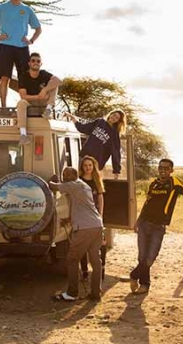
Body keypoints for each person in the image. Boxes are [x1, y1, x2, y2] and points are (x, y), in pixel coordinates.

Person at [129, 159, 183, 294]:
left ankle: (134, 275)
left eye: (166, 168)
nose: (162, 170)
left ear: (171, 170)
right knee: (142, 257)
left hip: (158, 227)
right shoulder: (153, 184)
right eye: (160, 168)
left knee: (150, 258)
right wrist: (138, 221)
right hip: (144, 224)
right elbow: (147, 203)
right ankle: (145, 285)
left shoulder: (174, 182)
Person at [48, 167, 104, 302]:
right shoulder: (83, 186)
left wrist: (51, 180)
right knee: (95, 260)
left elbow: (53, 186)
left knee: (72, 259)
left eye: (66, 175)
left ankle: (72, 293)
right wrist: (69, 219)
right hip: (97, 225)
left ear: (73, 175)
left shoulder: (73, 185)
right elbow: (81, 206)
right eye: (63, 175)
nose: (64, 177)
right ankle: (95, 293)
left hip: (85, 228)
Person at [64, 110, 126, 179]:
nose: (114, 118)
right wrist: (72, 117)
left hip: (96, 161)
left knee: (92, 181)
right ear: (110, 114)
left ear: (118, 121)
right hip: (84, 155)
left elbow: (116, 153)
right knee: (81, 179)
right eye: (114, 115)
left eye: (117, 118)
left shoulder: (114, 134)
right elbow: (83, 128)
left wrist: (116, 171)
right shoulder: (100, 122)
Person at [16, 52, 61, 145]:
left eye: (38, 61)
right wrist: (38, 97)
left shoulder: (44, 73)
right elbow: (23, 96)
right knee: (21, 102)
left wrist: (45, 90)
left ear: (41, 63)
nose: (35, 63)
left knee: (54, 83)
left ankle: (48, 110)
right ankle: (23, 135)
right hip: (31, 103)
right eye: (33, 61)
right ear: (29, 63)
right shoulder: (23, 77)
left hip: (44, 103)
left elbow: (58, 81)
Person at [78, 156, 107, 281]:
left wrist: (101, 214)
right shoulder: (79, 181)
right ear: (82, 167)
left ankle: (101, 269)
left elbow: (100, 198)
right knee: (83, 245)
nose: (88, 167)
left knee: (102, 243)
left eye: (90, 165)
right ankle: (84, 271)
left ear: (93, 166)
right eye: (85, 165)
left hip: (96, 216)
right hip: (83, 217)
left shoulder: (97, 179)